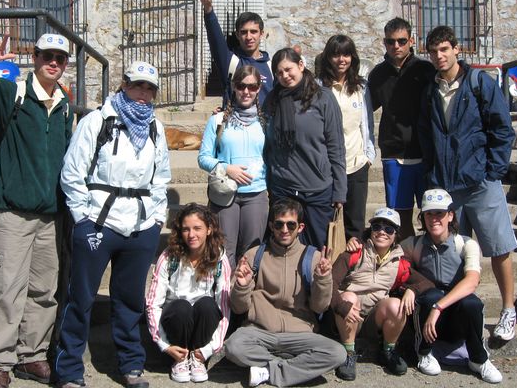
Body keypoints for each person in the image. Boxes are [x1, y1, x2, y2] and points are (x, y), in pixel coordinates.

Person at [56, 61, 171, 388]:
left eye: (149, 89)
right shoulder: (96, 121)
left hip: (140, 225)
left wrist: (156, 219)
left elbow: (161, 178)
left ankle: (131, 365)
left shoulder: (154, 127)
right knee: (81, 298)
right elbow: (72, 172)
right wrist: (83, 219)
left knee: (130, 299)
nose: (143, 94)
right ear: (123, 84)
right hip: (97, 222)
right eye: (137, 86)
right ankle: (68, 370)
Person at [0, 31, 73, 388]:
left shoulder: (64, 107)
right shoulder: (12, 94)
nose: (54, 63)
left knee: (44, 292)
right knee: (6, 289)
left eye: (60, 58)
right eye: (47, 56)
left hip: (48, 215)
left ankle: (32, 356)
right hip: (12, 211)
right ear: (37, 58)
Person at [418, 25, 517, 342]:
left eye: (444, 49)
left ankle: (508, 310)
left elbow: (502, 129)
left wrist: (493, 172)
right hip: (447, 187)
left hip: (480, 182)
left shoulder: (479, 83)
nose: (439, 56)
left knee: (499, 246)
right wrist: (433, 177)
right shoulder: (430, 90)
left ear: (457, 49)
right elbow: (426, 137)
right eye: (433, 51)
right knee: (453, 254)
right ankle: (459, 316)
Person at [225, 198, 346, 387]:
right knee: (233, 346)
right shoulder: (254, 255)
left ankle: (267, 370)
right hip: (259, 331)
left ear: (300, 227)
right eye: (279, 224)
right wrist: (242, 285)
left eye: (291, 224)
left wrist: (323, 279)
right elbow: (238, 308)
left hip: (300, 333)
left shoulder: (313, 257)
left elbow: (319, 306)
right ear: (272, 226)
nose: (284, 230)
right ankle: (290, 368)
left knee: (337, 353)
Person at [400, 189, 503, 383]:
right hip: (427, 316)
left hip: (452, 314)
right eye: (429, 213)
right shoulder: (414, 244)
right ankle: (424, 352)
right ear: (422, 217)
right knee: (429, 296)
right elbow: (387, 252)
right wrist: (410, 288)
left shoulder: (465, 244)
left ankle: (478, 359)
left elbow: (472, 281)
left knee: (471, 304)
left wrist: (438, 308)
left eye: (440, 213)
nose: (434, 219)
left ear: (450, 215)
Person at [331, 207, 433, 381]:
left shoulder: (398, 262)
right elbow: (330, 283)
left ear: (396, 235)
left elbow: (426, 283)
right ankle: (348, 353)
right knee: (349, 297)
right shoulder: (355, 252)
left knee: (396, 305)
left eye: (389, 229)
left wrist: (411, 290)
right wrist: (341, 306)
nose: (382, 232)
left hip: (373, 318)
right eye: (377, 227)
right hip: (347, 314)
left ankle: (387, 351)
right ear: (370, 230)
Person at [263, 47, 346, 249]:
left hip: (317, 188)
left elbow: (336, 147)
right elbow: (266, 144)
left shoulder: (323, 98)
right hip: (283, 187)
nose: (285, 75)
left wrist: (340, 191)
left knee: (320, 249)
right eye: (279, 72)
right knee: (284, 248)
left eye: (288, 69)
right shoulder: (272, 101)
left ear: (301, 65)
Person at [146, 203, 231, 383]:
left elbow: (224, 305)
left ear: (209, 229)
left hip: (203, 323)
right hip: (175, 321)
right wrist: (164, 344)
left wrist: (210, 348)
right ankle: (180, 358)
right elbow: (153, 303)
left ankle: (198, 358)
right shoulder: (170, 256)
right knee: (182, 306)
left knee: (208, 304)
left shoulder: (219, 257)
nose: (191, 235)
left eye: (197, 228)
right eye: (186, 229)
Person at [367, 17, 435, 239]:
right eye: (390, 41)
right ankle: (407, 265)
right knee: (400, 216)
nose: (396, 46)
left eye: (401, 41)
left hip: (425, 154)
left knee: (431, 215)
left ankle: (429, 262)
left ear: (411, 41)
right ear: (384, 43)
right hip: (394, 155)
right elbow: (364, 110)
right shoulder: (377, 75)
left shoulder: (426, 70)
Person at [198, 65, 268, 268]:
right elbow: (203, 158)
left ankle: (244, 297)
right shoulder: (218, 120)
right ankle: (225, 296)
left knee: (251, 252)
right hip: (225, 194)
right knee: (224, 251)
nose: (246, 91)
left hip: (256, 193)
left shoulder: (265, 122)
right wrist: (227, 168)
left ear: (258, 89)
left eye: (252, 87)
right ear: (234, 87)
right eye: (241, 86)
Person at [318, 35, 376, 240]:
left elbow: (366, 122)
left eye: (346, 54)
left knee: (355, 225)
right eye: (335, 54)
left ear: (352, 57)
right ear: (328, 58)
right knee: (326, 222)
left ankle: (354, 267)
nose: (341, 59)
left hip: (356, 163)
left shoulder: (361, 87)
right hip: (328, 166)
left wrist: (369, 155)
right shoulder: (318, 88)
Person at [199, 0, 273, 105]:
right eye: (244, 32)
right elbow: (215, 39)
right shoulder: (231, 61)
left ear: (261, 34)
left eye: (253, 32)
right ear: (237, 35)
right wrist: (208, 8)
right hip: (235, 123)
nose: (249, 37)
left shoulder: (272, 66)